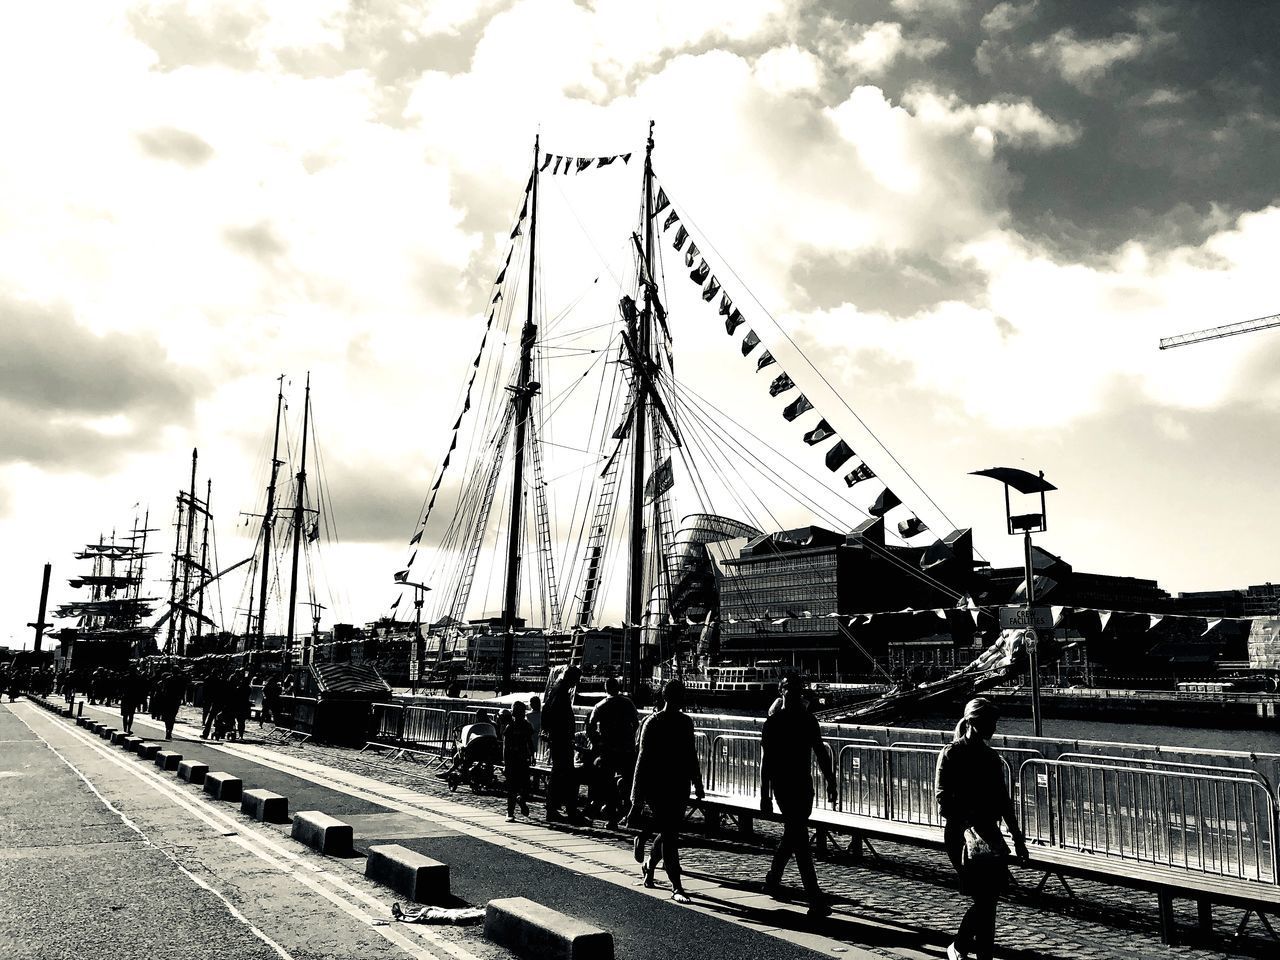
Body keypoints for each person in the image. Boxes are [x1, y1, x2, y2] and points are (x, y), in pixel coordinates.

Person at [935, 697, 1029, 960]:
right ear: (974, 723)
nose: (994, 728)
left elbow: (1004, 801)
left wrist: (1018, 839)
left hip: (987, 834)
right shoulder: (953, 754)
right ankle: (965, 947)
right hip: (962, 835)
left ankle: (964, 947)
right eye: (990, 722)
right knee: (986, 899)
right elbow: (943, 798)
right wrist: (970, 819)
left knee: (988, 900)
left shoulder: (989, 758)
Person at [760, 672, 837, 917]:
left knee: (793, 835)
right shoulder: (789, 722)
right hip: (787, 786)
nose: (792, 694)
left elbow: (820, 754)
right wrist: (765, 793)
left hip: (800, 786)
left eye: (795, 690)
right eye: (789, 690)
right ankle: (815, 900)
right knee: (800, 839)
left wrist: (831, 780)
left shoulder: (788, 722)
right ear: (782, 693)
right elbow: (767, 761)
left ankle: (773, 878)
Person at [629, 678, 704, 903]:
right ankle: (676, 886)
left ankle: (648, 866)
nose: (680, 699)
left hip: (679, 784)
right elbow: (642, 760)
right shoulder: (652, 723)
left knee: (667, 832)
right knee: (670, 835)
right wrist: (637, 800)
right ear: (667, 696)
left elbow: (691, 754)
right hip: (658, 786)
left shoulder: (686, 723)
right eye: (677, 695)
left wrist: (697, 782)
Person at [586, 676, 639, 828]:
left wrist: (598, 741)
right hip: (626, 748)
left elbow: (590, 727)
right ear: (618, 687)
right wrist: (629, 737)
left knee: (608, 783)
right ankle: (629, 814)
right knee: (628, 782)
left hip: (608, 749)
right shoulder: (627, 703)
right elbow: (635, 723)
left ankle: (612, 817)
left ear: (605, 688)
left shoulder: (600, 706)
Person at [542, 666, 587, 823]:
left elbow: (546, 711)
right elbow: (557, 715)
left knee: (561, 774)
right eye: (576, 680)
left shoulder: (556, 689)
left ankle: (559, 808)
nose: (577, 683)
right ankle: (564, 810)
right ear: (571, 678)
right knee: (564, 774)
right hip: (561, 739)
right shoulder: (561, 692)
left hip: (558, 738)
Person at [503, 701, 535, 822]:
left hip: (522, 758)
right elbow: (506, 747)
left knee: (525, 785)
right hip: (512, 759)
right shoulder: (510, 726)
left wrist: (532, 755)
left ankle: (521, 799)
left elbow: (529, 741)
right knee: (512, 787)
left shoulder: (527, 725)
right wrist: (506, 763)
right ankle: (510, 812)